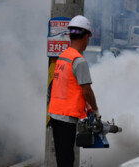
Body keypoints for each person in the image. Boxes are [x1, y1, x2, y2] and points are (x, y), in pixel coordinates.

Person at [48, 15, 99, 167]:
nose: (87, 42)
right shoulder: (79, 61)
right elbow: (87, 91)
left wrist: (86, 107)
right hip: (66, 118)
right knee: (67, 160)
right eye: (88, 38)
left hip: (55, 114)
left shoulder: (64, 56)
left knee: (62, 158)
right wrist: (95, 110)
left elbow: (66, 86)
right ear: (84, 37)